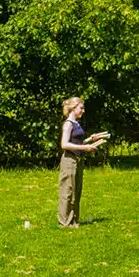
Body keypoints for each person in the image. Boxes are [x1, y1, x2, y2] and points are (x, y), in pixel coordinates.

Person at [58, 97, 108, 228]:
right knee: (67, 191)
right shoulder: (68, 124)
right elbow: (64, 144)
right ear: (73, 108)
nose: (83, 111)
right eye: (81, 108)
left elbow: (76, 142)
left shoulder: (76, 124)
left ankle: (73, 221)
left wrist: (91, 139)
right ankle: (64, 223)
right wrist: (84, 148)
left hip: (78, 161)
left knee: (76, 191)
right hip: (69, 161)